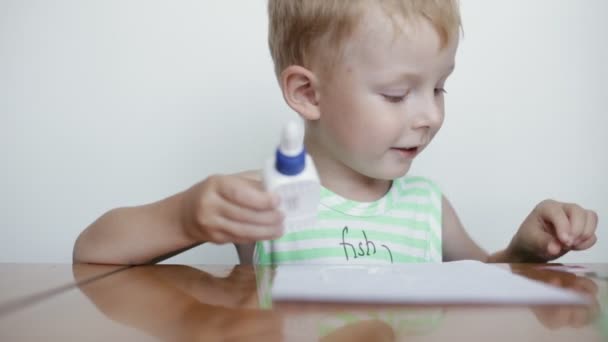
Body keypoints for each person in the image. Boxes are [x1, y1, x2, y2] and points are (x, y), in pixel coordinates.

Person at [73, 0, 598, 265]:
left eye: (440, 89)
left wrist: (523, 252)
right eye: (397, 94)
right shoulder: (262, 200)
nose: (431, 116)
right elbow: (93, 250)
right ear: (308, 94)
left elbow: (484, 277)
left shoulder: (427, 207)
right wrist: (185, 216)